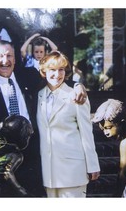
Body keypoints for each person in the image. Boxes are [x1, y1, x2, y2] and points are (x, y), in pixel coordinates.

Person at [0, 41, 87, 197]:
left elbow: (56, 81)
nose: (5, 61)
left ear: (15, 58)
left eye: (9, 55)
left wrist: (77, 85)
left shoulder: (29, 76)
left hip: (34, 152)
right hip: (5, 158)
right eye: (0, 56)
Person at [36, 51, 100, 197]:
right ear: (44, 71)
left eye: (61, 70)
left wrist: (93, 165)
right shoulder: (38, 95)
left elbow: (86, 132)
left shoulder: (76, 95)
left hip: (72, 171)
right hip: (48, 174)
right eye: (52, 70)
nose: (57, 75)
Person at [92, 98, 126, 197]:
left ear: (122, 122)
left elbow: (123, 173)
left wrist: (117, 196)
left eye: (108, 128)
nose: (106, 133)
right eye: (102, 129)